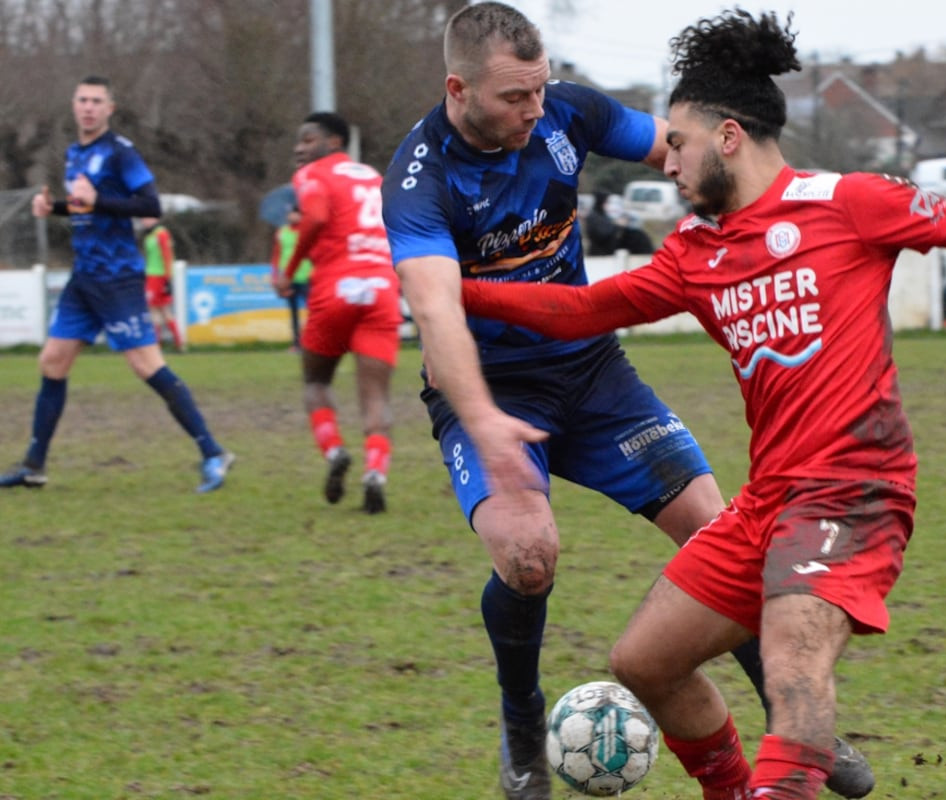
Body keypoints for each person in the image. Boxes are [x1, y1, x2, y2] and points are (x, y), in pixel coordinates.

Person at [457, 10, 946, 799]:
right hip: (769, 501)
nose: (667, 160)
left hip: (857, 486)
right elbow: (579, 311)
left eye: (678, 142)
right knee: (644, 662)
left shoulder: (850, 203)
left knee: (792, 667)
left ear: (730, 137)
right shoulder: (695, 255)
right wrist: (448, 286)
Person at [380, 4, 871, 799]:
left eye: (539, 91)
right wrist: (482, 420)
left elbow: (686, 145)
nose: (534, 111)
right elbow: (435, 312)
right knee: (528, 559)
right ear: (457, 88)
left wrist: (773, 216)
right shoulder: (419, 181)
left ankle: (792, 716)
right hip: (489, 390)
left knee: (722, 538)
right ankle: (519, 722)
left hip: (593, 373)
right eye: (514, 98)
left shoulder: (567, 110)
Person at [0, 75, 233, 493]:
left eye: (96, 101)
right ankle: (34, 465)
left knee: (147, 365)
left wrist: (97, 201)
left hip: (117, 278)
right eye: (82, 99)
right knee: (52, 361)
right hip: (84, 277)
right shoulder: (75, 153)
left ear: (110, 108)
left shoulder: (121, 153)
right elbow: (84, 208)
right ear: (74, 105)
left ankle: (213, 452)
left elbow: (149, 205)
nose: (88, 107)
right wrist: (52, 207)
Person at [272, 111, 400, 515]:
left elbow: (316, 217)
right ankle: (375, 473)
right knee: (376, 394)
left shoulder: (312, 175)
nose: (299, 148)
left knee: (315, 380)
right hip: (381, 287)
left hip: (336, 287)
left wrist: (289, 272)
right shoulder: (373, 176)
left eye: (307, 140)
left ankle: (333, 451)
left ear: (333, 142)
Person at [270, 206, 314, 350]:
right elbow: (277, 255)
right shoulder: (282, 232)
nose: (291, 216)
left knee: (314, 312)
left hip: (307, 276)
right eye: (289, 213)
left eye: (295, 213)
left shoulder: (307, 231)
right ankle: (296, 343)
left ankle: (312, 341)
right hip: (288, 279)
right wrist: (275, 276)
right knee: (293, 312)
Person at [138, 216, 184, 352]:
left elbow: (167, 255)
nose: (143, 221)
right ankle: (177, 343)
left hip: (158, 276)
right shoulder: (149, 235)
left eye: (147, 218)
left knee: (156, 310)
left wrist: (167, 278)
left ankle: (160, 344)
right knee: (161, 310)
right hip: (151, 275)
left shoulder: (161, 234)